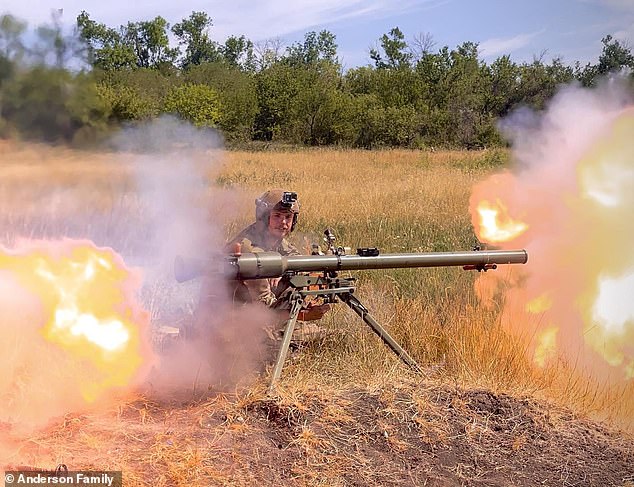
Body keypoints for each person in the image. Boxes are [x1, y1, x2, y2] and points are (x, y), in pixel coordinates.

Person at [224, 189, 331, 323]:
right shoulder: (249, 250)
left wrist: (283, 269)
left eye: (288, 217)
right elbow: (264, 310)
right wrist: (303, 315)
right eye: (277, 216)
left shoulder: (275, 240)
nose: (284, 223)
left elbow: (298, 261)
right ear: (264, 218)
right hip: (236, 323)